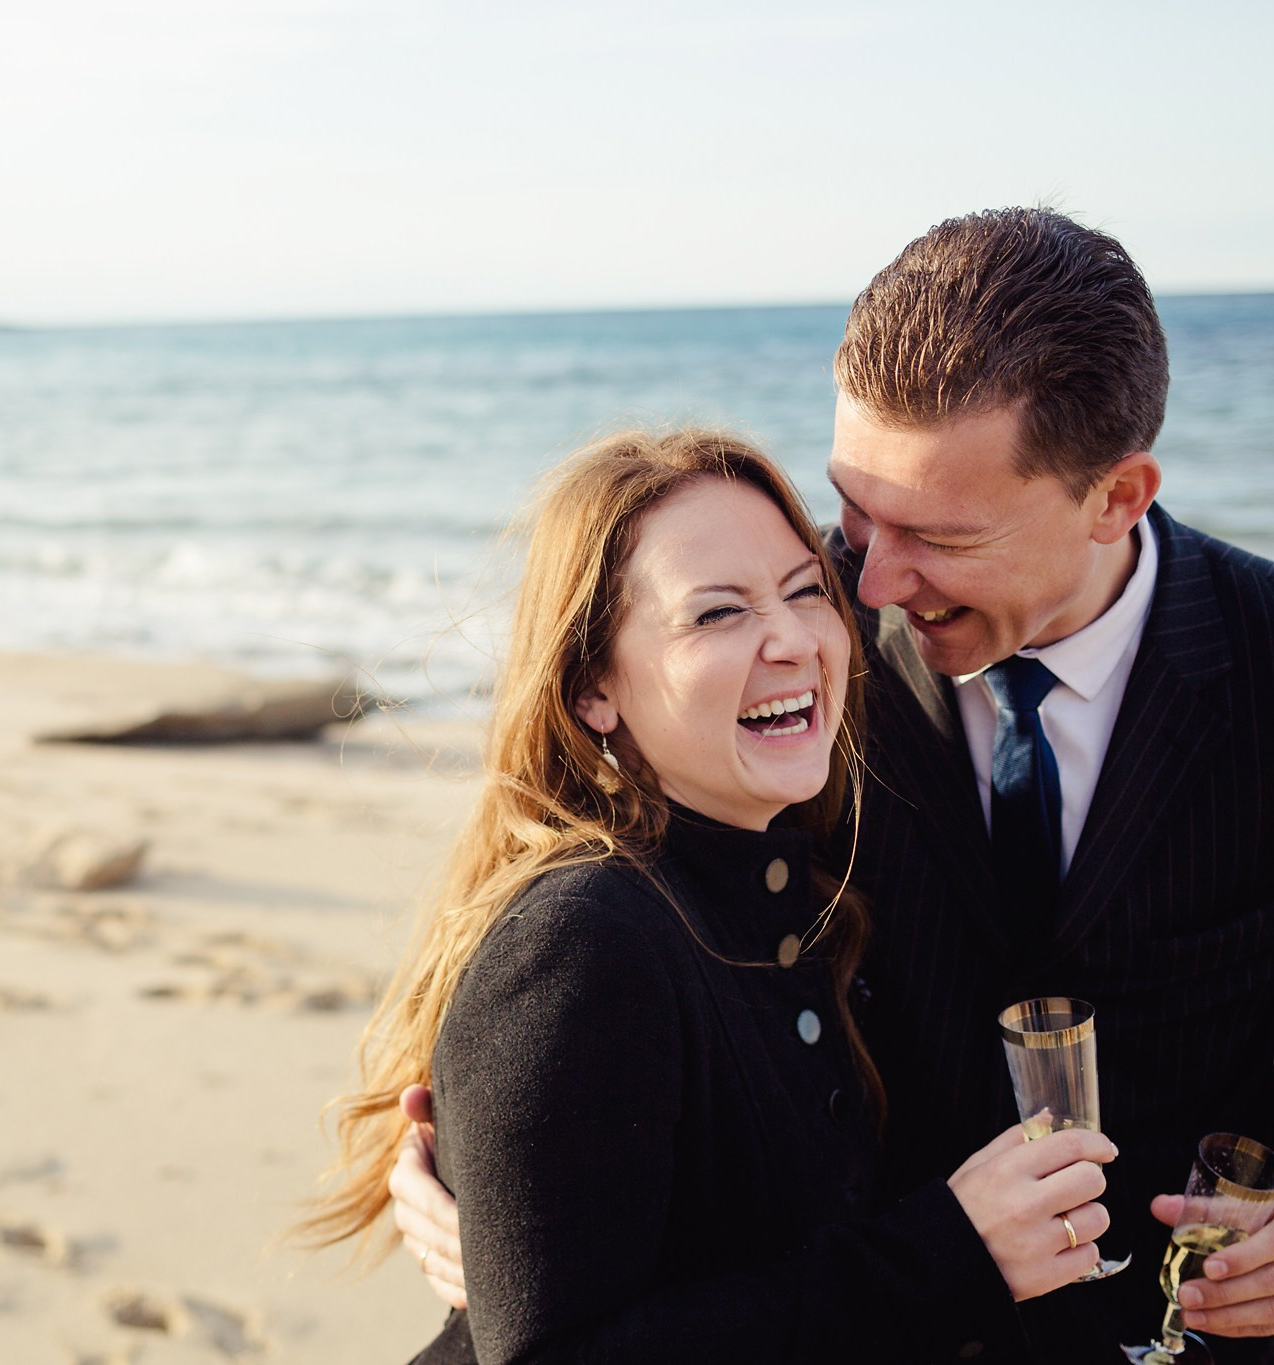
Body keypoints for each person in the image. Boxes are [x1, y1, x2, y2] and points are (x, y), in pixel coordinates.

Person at [384, 210, 1274, 1363]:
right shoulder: (781, 638)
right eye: (855, 508)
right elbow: (578, 917)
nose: (871, 576)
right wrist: (472, 1176)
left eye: (936, 534)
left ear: (1114, 498)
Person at [297, 427, 1119, 1361]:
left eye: (808, 590)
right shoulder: (584, 941)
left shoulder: (796, 884)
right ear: (590, 690)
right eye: (717, 614)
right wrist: (949, 1254)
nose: (793, 640)